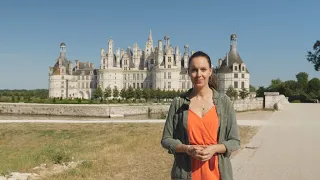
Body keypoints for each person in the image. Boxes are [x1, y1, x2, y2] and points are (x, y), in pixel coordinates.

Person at [161, 51, 240, 180]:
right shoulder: (178, 103)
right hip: (186, 173)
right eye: (194, 70)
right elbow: (166, 139)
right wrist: (188, 149)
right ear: (188, 73)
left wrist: (214, 148)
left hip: (217, 174)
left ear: (210, 71)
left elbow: (235, 141)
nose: (199, 75)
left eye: (203, 69)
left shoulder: (224, 102)